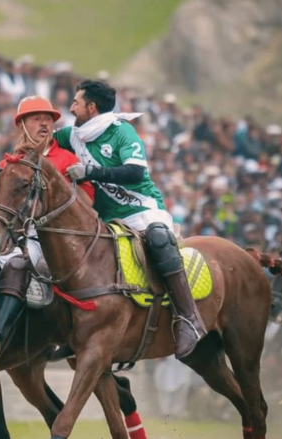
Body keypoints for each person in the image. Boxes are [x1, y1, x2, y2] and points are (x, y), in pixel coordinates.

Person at [58, 80, 207, 360]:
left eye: (76, 102)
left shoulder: (122, 132)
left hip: (140, 210)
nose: (71, 107)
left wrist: (90, 171)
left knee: (160, 239)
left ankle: (189, 319)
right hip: (102, 219)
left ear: (91, 107)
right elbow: (42, 143)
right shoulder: (72, 134)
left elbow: (135, 173)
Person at [0, 95, 95, 368]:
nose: (44, 123)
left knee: (16, 264)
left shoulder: (67, 159)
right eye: (36, 118)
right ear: (22, 125)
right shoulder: (9, 164)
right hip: (10, 233)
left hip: (51, 240)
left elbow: (87, 205)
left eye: (48, 119)